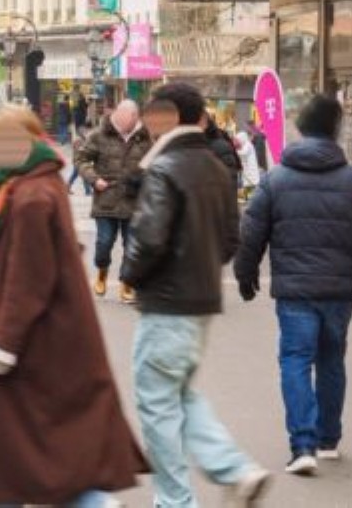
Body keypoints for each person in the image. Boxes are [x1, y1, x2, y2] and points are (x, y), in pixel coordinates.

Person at [0, 104, 147, 506]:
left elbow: (27, 278)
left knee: (18, 463)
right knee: (35, 465)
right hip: (44, 341)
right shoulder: (33, 183)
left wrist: (3, 345)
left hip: (33, 347)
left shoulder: (31, 196)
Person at [122, 85, 272, 507]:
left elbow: (148, 239)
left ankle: (177, 500)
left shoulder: (165, 167)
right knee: (178, 393)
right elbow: (230, 240)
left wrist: (131, 274)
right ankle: (235, 470)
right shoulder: (215, 167)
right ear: (201, 118)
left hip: (166, 303)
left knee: (157, 405)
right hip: (200, 300)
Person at [235, 95, 352, 475]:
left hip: (294, 290)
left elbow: (251, 233)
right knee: (331, 360)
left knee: (295, 359)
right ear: (336, 130)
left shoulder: (276, 180)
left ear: (301, 128)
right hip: (340, 292)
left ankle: (302, 445)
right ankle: (328, 439)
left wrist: (245, 273)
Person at [75, 99, 152, 303]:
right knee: (104, 242)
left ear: (135, 117)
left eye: (127, 121)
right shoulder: (99, 135)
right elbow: (81, 159)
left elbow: (156, 164)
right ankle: (102, 271)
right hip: (106, 199)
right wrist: (94, 179)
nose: (122, 124)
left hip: (134, 201)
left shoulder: (146, 138)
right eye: (120, 119)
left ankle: (126, 284)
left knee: (132, 246)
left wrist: (145, 178)